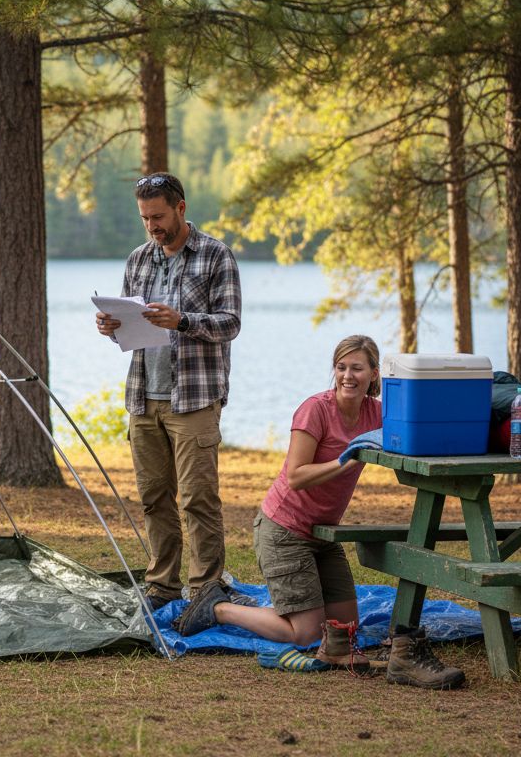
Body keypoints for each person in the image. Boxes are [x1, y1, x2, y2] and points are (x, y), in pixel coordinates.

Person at [171, 336, 466, 689]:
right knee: (305, 633)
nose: (347, 376)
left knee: (345, 631)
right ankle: (217, 606)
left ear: (374, 374)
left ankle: (322, 635)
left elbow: (415, 429)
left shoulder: (377, 412)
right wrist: (347, 458)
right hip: (284, 530)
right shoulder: (316, 409)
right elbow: (296, 476)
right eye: (341, 367)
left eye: (357, 368)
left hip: (324, 535)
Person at [95, 172, 242, 611]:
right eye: (144, 218)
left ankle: (206, 589)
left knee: (198, 497)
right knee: (154, 496)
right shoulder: (138, 259)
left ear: (181, 208)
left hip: (194, 398)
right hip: (144, 396)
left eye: (158, 216)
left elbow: (231, 323)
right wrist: (111, 326)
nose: (152, 226)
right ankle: (162, 586)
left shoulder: (216, 255)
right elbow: (130, 322)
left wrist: (182, 321)